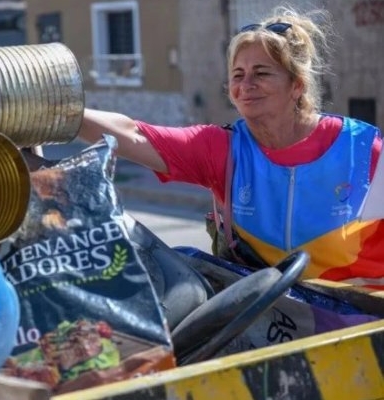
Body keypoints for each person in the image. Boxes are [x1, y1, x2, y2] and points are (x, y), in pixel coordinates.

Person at [76, 6, 384, 288]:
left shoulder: (363, 150)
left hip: (363, 328)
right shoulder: (223, 149)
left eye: (261, 73)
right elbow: (133, 134)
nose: (246, 84)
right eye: (238, 75)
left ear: (297, 85)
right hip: (270, 328)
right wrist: (55, 113)